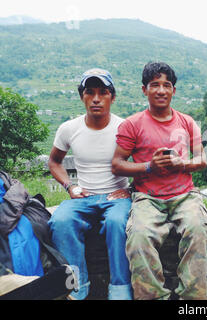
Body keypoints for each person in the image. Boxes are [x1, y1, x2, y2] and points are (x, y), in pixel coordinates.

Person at [111, 62, 207, 300]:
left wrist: (182, 164)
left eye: (167, 85)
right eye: (154, 85)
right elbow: (117, 164)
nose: (161, 90)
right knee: (138, 237)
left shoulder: (187, 122)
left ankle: (192, 299)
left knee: (198, 231)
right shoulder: (132, 124)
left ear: (173, 91)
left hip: (185, 195)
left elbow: (202, 159)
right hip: (148, 197)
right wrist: (149, 166)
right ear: (144, 89)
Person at [47, 68, 133, 300]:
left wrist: (130, 189)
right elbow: (54, 161)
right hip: (83, 197)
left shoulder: (125, 128)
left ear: (112, 97)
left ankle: (120, 290)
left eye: (103, 92)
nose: (96, 99)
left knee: (118, 224)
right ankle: (76, 288)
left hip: (116, 199)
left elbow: (143, 163)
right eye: (90, 92)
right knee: (60, 220)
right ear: (82, 96)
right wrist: (69, 186)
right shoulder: (69, 128)